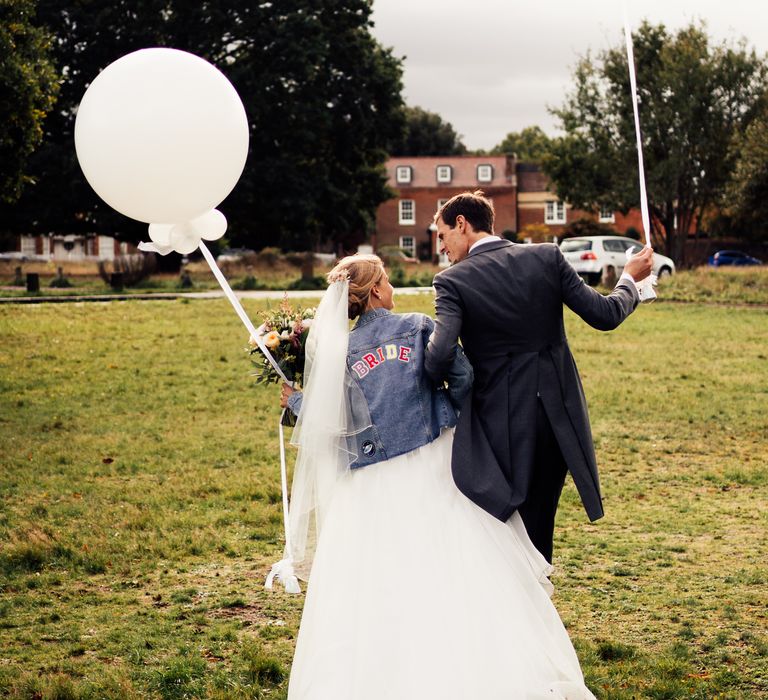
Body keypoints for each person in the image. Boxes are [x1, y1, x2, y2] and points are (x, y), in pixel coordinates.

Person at [278, 253, 598, 699]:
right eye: (386, 280)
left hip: (371, 481)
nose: (391, 288)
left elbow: (334, 421)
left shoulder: (342, 354)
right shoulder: (419, 326)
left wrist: (294, 401)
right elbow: (462, 377)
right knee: (459, 561)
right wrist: (453, 411)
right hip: (434, 461)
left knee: (378, 577)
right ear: (375, 291)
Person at [425, 190, 654, 563]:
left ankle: (518, 610)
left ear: (462, 224)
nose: (442, 247)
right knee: (538, 524)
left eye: (442, 235)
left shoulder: (451, 281)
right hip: (557, 419)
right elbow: (605, 315)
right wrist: (629, 279)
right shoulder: (547, 256)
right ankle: (536, 601)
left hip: (497, 422)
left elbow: (438, 357)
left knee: (496, 526)